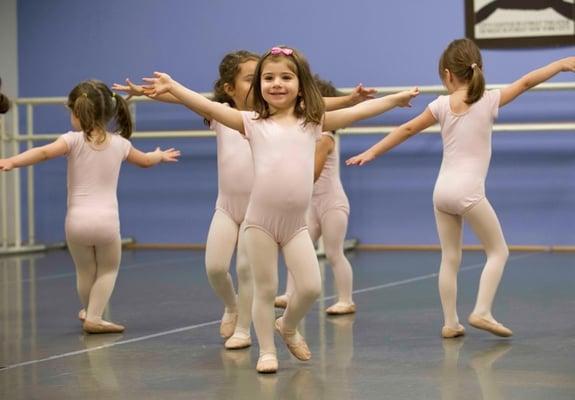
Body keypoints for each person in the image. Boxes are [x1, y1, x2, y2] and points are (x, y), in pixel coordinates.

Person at [142, 45, 417, 373]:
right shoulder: (251, 122)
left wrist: (395, 99)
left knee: (312, 287)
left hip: (295, 226)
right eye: (268, 78)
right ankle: (267, 352)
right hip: (259, 223)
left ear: (301, 85)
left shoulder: (313, 122)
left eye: (286, 77)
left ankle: (287, 325)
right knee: (265, 289)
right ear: (259, 85)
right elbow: (207, 106)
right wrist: (174, 87)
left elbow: (358, 113)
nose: (277, 84)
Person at [347, 38, 575, 338]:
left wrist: (372, 152)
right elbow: (527, 81)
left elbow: (407, 129)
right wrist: (559, 64)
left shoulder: (441, 105)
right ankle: (481, 310)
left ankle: (450, 322)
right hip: (468, 193)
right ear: (478, 68)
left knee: (450, 258)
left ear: (446, 74)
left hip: (441, 192)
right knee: (498, 251)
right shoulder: (490, 100)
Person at [0, 80, 180, 334]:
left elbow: (41, 153)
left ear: (76, 112)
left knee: (85, 270)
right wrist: (159, 155)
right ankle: (95, 316)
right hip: (106, 223)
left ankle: (89, 310)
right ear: (109, 112)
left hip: (76, 222)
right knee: (108, 269)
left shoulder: (71, 141)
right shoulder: (120, 144)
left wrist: (11, 161)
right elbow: (145, 162)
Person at [275, 76, 356, 315]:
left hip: (332, 203)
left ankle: (346, 299)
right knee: (296, 248)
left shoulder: (326, 137)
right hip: (312, 204)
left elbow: (313, 172)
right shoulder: (308, 136)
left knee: (334, 252)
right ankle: (290, 293)